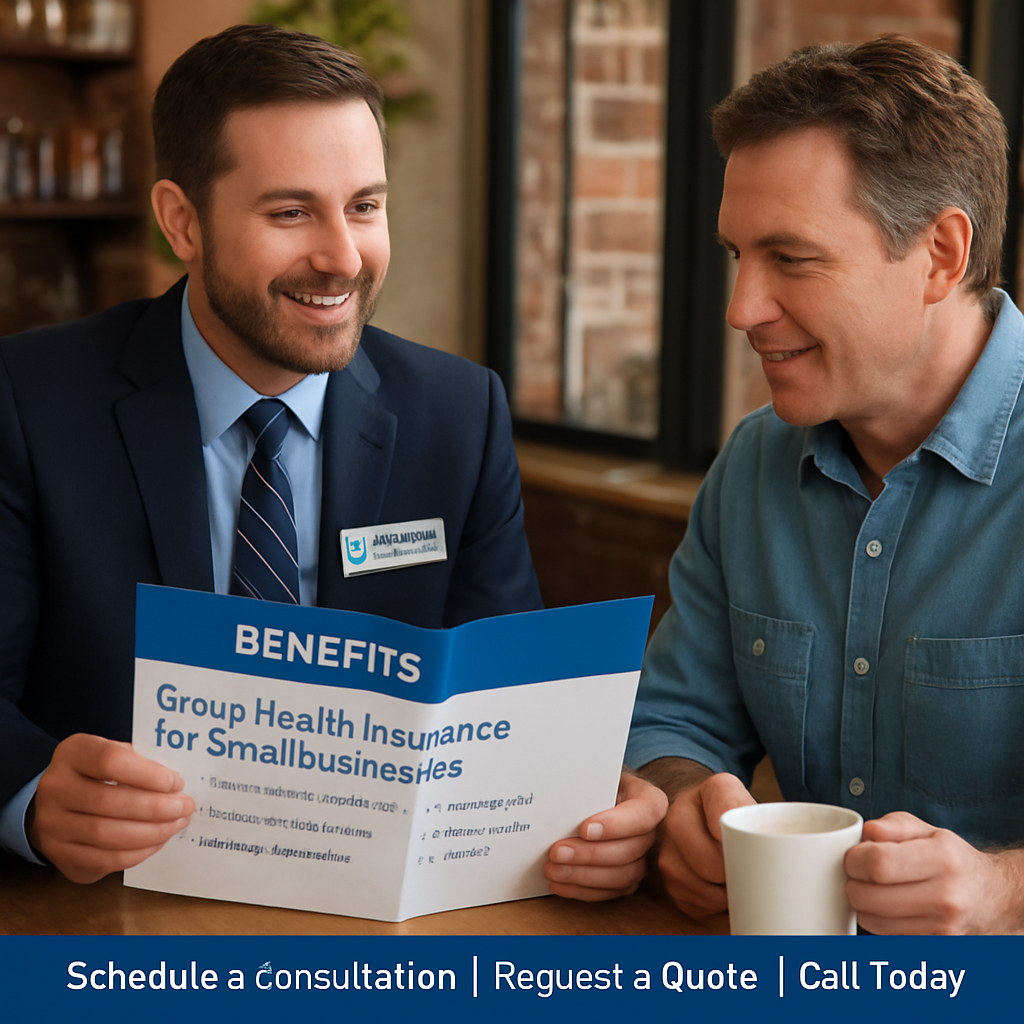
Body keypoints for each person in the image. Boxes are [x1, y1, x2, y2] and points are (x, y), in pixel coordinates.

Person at [0, 23, 553, 884]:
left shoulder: (459, 411)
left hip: (374, 914)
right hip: (113, 911)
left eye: (365, 205)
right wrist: (31, 796)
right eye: (291, 212)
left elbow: (508, 705)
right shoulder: (29, 400)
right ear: (182, 222)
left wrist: (575, 792)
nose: (342, 257)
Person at [623, 35, 1024, 934]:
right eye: (736, 257)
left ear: (940, 254)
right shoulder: (753, 467)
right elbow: (669, 728)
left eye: (792, 259)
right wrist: (682, 808)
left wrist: (1004, 895)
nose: (741, 309)